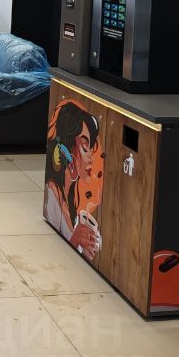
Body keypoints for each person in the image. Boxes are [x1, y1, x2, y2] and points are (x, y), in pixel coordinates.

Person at [44, 100, 103, 261]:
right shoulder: (52, 198)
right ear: (66, 148)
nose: (90, 157)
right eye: (84, 146)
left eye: (90, 148)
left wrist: (85, 249)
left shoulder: (72, 201)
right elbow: (49, 258)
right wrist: (76, 239)